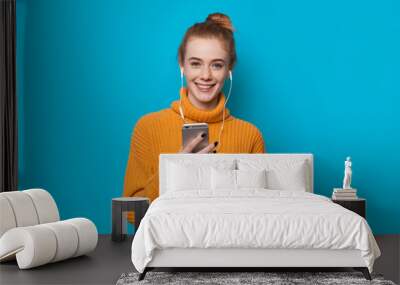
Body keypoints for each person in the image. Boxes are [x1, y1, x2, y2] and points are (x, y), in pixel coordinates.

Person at [123, 13, 265, 210]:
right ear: (182, 65)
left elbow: (258, 213)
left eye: (216, 65)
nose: (205, 75)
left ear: (229, 69)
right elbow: (130, 214)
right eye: (196, 63)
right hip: (169, 240)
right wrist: (175, 170)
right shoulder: (148, 127)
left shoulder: (250, 136)